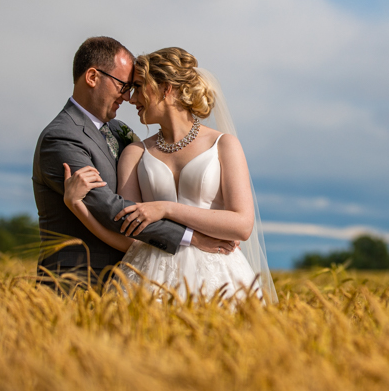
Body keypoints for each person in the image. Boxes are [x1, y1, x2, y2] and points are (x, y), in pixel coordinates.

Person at [62, 47, 276, 302]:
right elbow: (126, 234)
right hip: (147, 280)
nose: (131, 98)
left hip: (219, 278)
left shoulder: (224, 145)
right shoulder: (135, 153)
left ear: (166, 88)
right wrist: (76, 205)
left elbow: (242, 225)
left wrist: (165, 209)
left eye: (139, 86)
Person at [32, 37, 236, 289]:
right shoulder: (62, 136)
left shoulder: (120, 132)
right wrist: (193, 237)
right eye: (123, 85)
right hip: (77, 281)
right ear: (93, 77)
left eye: (134, 87)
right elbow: (110, 208)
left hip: (136, 275)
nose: (128, 97)